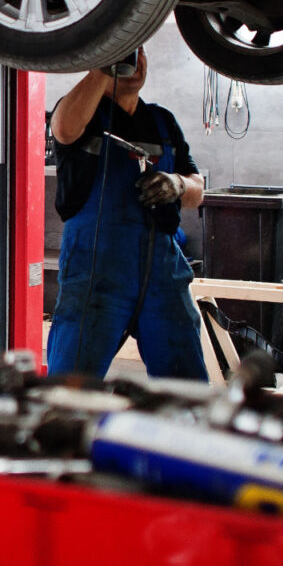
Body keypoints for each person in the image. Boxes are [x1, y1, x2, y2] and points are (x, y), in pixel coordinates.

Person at [46, 46, 209, 381]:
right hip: (95, 275)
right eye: (126, 53)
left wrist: (177, 183)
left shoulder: (162, 121)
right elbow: (63, 129)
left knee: (186, 391)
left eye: (139, 53)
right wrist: (104, 65)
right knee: (69, 392)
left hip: (163, 275)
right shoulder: (82, 112)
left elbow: (198, 190)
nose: (136, 62)